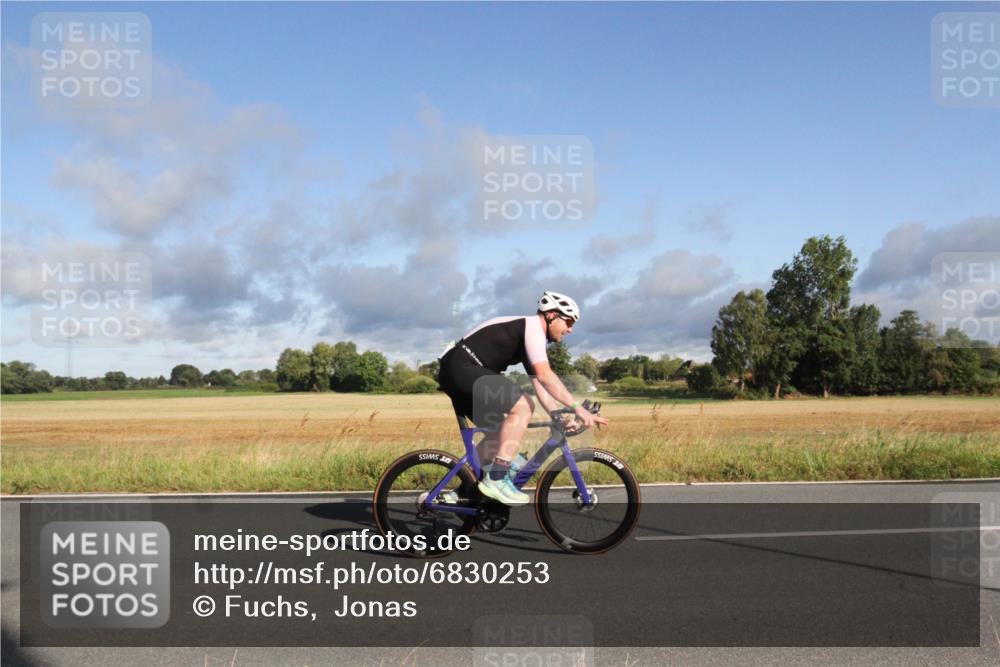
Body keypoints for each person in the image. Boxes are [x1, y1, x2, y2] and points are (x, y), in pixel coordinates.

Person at [437, 291, 609, 506]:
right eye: (568, 321)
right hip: (461, 367)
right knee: (523, 405)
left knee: (500, 432)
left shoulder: (531, 337)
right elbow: (546, 376)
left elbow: (540, 384)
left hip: (460, 371)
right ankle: (497, 477)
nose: (570, 328)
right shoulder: (532, 328)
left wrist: (557, 415)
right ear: (551, 315)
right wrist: (578, 408)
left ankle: (465, 489)